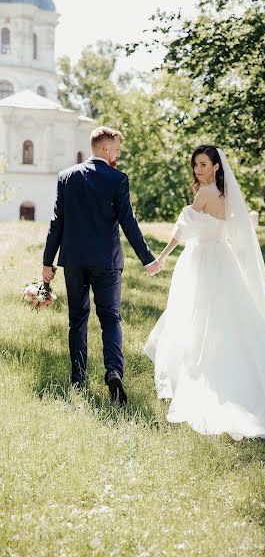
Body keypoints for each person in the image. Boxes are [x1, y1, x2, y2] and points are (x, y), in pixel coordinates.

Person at [144, 145, 265, 444]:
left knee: (198, 319)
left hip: (203, 261)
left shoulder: (205, 193)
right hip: (224, 259)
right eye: (196, 164)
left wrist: (162, 258)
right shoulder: (228, 195)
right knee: (229, 320)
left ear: (217, 167)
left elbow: (182, 231)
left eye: (204, 164)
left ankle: (207, 379)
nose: (198, 169)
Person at [42, 126, 161, 405]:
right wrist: (148, 259)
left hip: (73, 260)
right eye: (117, 147)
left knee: (77, 319)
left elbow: (56, 222)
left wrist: (47, 261)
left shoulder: (66, 177)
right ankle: (113, 372)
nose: (119, 153)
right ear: (106, 148)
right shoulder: (117, 179)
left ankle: (78, 379)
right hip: (106, 261)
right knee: (110, 318)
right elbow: (128, 222)